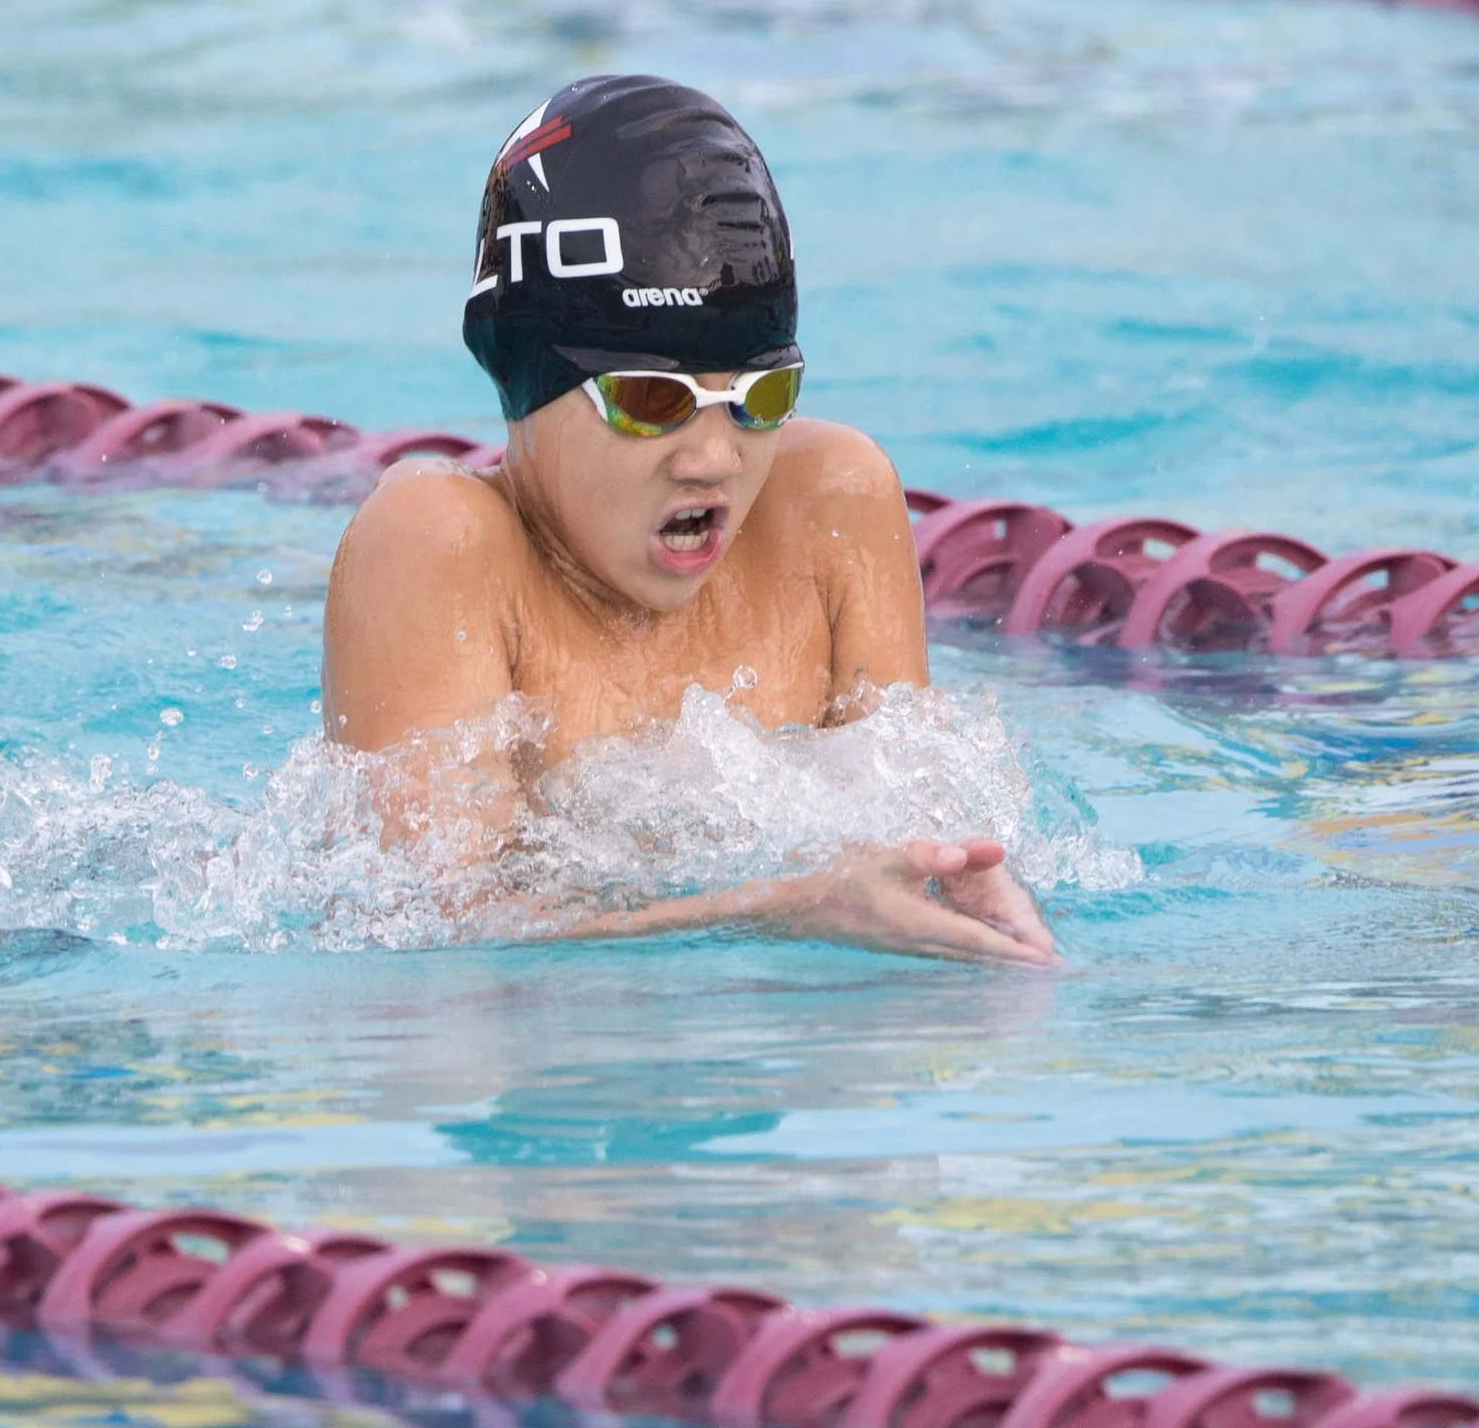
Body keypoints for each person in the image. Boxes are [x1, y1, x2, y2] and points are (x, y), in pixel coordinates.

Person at [322, 75, 1054, 965]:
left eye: (761, 395)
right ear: (527, 382)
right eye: (649, 399)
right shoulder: (443, 545)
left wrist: (958, 882)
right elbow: (437, 945)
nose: (715, 456)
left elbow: (898, 856)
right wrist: (780, 907)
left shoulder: (828, 505)